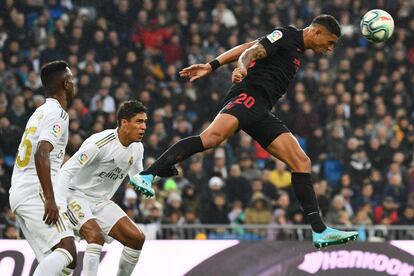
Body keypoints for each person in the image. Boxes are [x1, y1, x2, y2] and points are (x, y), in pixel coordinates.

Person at [132, 15, 359, 248]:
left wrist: (212, 65)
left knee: (302, 162)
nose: (330, 49)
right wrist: (241, 65)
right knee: (211, 138)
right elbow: (252, 52)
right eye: (330, 42)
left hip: (262, 110)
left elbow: (247, 46)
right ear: (316, 32)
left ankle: (319, 231)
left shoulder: (294, 46)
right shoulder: (287, 35)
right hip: (248, 95)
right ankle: (147, 174)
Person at [56, 100, 148, 276]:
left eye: (145, 122)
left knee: (137, 238)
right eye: (139, 121)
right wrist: (59, 204)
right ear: (124, 122)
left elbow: (138, 179)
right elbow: (66, 170)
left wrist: (158, 173)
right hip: (75, 195)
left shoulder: (137, 148)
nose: (143, 127)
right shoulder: (100, 143)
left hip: (101, 202)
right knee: (95, 237)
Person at [9, 61, 77, 275]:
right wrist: (49, 198)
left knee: (59, 265)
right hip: (35, 190)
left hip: (20, 191)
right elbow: (42, 153)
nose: (74, 84)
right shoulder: (58, 114)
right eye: (72, 80)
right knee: (69, 253)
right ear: (66, 84)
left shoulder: (39, 112)